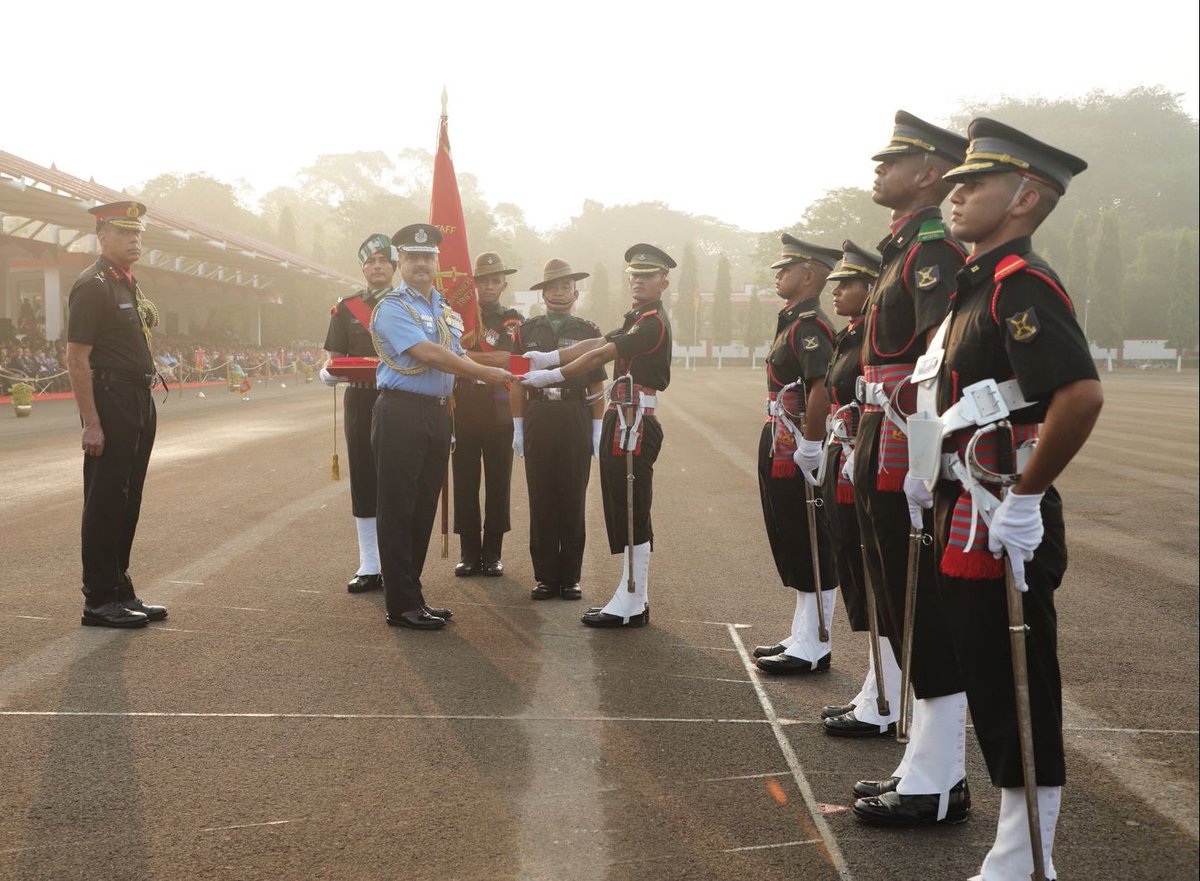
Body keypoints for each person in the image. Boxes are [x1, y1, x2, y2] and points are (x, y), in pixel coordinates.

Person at [911, 119, 1099, 880]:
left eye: (973, 183)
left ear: (1025, 196)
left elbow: (1078, 395)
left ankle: (1026, 859)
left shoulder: (1022, 282)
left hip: (1003, 514)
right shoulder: (976, 286)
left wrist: (1028, 495)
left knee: (1019, 685)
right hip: (967, 506)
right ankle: (1014, 851)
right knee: (988, 677)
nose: (955, 193)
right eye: (953, 182)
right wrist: (929, 474)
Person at [851, 111, 973, 827]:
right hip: (878, 430)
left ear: (929, 171)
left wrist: (927, 458)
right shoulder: (900, 247)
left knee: (923, 606)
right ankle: (923, 761)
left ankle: (941, 776)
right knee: (900, 602)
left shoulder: (931, 249)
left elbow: (937, 358)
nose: (878, 169)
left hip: (903, 438)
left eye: (891, 161)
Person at [520, 244, 674, 628]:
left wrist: (551, 375)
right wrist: (550, 358)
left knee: (631, 507)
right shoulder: (638, 317)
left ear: (664, 282)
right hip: (624, 418)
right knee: (624, 506)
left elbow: (598, 357)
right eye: (634, 275)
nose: (638, 281)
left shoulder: (651, 322)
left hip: (634, 421)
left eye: (648, 276)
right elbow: (595, 345)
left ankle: (633, 598)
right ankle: (632, 594)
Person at [370, 224, 515, 630]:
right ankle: (400, 605)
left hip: (437, 412)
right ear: (400, 262)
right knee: (398, 509)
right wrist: (486, 374)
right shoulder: (393, 306)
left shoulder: (445, 309)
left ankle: (414, 596)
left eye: (427, 257)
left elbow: (459, 353)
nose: (420, 264)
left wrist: (516, 364)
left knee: (422, 510)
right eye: (412, 257)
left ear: (438, 262)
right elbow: (429, 353)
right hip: (400, 412)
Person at [64, 201, 168, 628]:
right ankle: (99, 599)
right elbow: (76, 358)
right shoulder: (93, 284)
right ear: (102, 236)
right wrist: (91, 421)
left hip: (138, 398)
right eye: (125, 233)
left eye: (138, 233)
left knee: (129, 496)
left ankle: (120, 587)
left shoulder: (125, 283)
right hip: (111, 399)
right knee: (106, 497)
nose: (135, 240)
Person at [813, 241, 901, 736]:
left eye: (847, 283)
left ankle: (885, 695)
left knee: (878, 579)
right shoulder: (851, 335)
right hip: (847, 456)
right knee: (856, 565)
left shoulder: (872, 335)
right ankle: (876, 684)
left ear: (872, 289)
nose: (838, 291)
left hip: (863, 457)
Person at [751, 235, 841, 675]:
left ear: (809, 274)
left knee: (810, 538)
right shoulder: (792, 320)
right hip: (780, 435)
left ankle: (817, 643)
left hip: (796, 441)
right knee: (790, 533)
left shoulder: (809, 325)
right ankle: (803, 631)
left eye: (785, 269)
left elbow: (820, 386)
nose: (778, 276)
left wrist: (809, 444)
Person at [510, 259, 606, 601]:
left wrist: (597, 428)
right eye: (553, 287)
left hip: (573, 413)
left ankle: (571, 576)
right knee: (541, 495)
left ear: (575, 292)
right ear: (543, 292)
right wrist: (518, 426)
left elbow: (596, 383)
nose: (559, 292)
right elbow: (516, 381)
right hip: (539, 414)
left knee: (572, 495)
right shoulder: (525, 331)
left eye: (565, 286)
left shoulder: (589, 330)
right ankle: (546, 576)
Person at [319, 233, 397, 594]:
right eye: (370, 262)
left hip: (399, 399)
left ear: (395, 266)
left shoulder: (407, 303)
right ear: (363, 268)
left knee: (398, 479)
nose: (376, 266)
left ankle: (399, 562)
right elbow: (334, 356)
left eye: (383, 260)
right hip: (361, 400)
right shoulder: (347, 308)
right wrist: (328, 371)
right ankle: (370, 564)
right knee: (364, 478)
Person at [451, 252, 524, 578]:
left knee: (498, 483)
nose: (490, 286)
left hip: (499, 409)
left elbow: (508, 357)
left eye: (496, 280)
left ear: (504, 284)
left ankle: (493, 552)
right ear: (474, 283)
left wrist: (464, 357)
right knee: (464, 483)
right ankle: (469, 553)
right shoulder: (456, 316)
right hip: (462, 405)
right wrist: (480, 359)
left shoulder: (511, 319)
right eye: (483, 280)